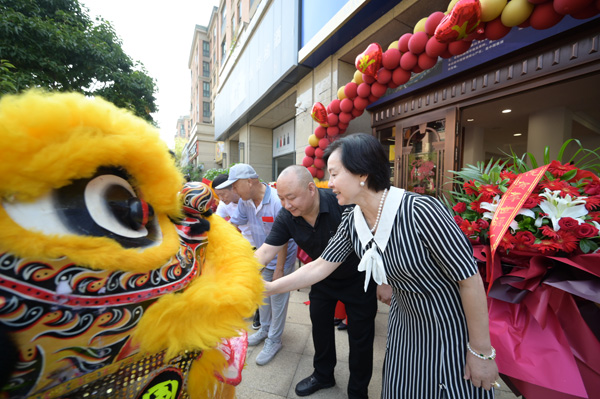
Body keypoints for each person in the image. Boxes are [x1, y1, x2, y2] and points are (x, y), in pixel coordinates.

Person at [264, 133, 499, 398]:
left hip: (446, 323)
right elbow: (320, 266)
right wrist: (270, 288)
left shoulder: (422, 211)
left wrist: (481, 351)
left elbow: (468, 280)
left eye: (334, 174)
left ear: (362, 173)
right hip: (404, 322)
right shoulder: (354, 219)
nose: (329, 184)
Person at [255, 165, 382, 398]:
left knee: (360, 338)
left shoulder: (341, 204)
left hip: (358, 279)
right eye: (281, 198)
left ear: (311, 189)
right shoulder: (287, 215)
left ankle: (357, 390)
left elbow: (376, 239)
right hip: (321, 280)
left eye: (291, 197)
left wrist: (384, 279)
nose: (286, 204)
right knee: (320, 327)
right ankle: (323, 374)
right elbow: (265, 252)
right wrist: (238, 276)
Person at [216, 163, 297, 366]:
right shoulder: (245, 202)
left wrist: (279, 269)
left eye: (235, 186)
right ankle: (264, 329)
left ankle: (274, 339)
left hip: (282, 258)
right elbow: (233, 226)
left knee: (278, 298)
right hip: (263, 256)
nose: (233, 191)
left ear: (250, 182)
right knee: (262, 294)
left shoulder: (277, 201)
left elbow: (284, 239)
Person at [212, 173, 260, 330]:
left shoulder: (248, 199)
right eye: (218, 196)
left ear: (234, 188)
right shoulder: (224, 204)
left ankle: (259, 313)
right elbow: (218, 224)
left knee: (259, 279)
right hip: (245, 244)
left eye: (223, 194)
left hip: (262, 243)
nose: (221, 199)